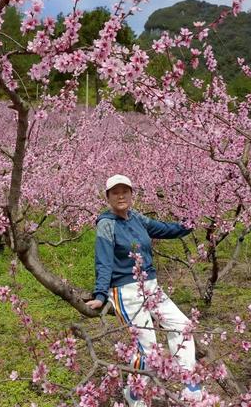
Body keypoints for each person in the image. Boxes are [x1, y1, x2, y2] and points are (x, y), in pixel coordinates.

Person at [85, 174, 202, 406]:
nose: (121, 196)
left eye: (125, 191)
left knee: (183, 326)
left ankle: (188, 380)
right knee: (147, 348)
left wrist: (189, 224)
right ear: (107, 197)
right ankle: (135, 393)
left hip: (150, 285)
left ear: (131, 194)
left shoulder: (136, 217)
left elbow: (165, 230)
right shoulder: (106, 224)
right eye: (115, 192)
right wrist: (100, 295)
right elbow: (103, 261)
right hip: (125, 289)